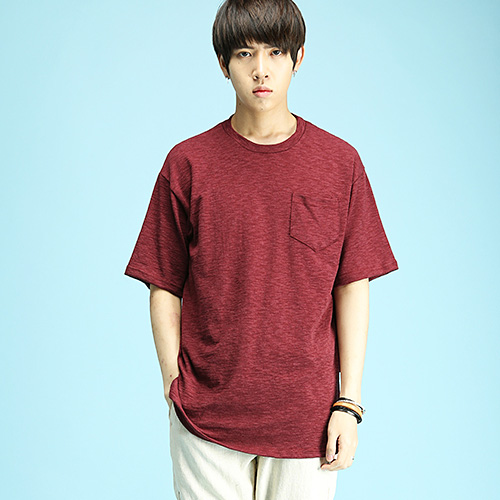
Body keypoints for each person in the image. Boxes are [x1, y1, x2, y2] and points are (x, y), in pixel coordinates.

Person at [124, 0, 399, 498]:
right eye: (244, 53)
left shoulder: (339, 163)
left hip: (307, 418)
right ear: (223, 64)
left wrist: (349, 403)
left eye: (275, 52)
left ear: (298, 58)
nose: (261, 70)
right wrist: (172, 383)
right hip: (205, 416)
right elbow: (162, 282)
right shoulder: (188, 163)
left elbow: (352, 285)